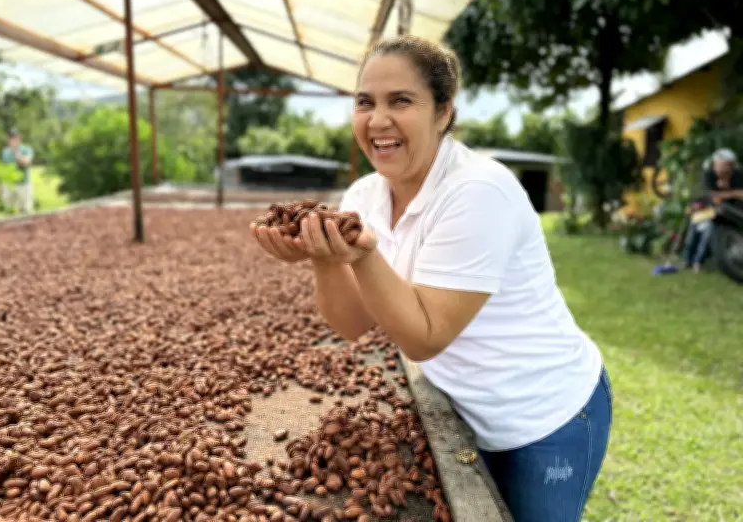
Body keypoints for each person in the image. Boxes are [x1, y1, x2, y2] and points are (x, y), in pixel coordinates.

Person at [251, 36, 612, 522]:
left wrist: (362, 256)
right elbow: (352, 325)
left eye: (401, 101)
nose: (378, 120)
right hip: (467, 406)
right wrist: (325, 259)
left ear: (443, 112)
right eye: (365, 102)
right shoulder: (364, 196)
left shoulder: (478, 191)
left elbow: (426, 336)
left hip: (547, 413)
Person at [681, 148, 743, 271]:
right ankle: (687, 260)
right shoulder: (708, 175)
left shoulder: (738, 176)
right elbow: (710, 195)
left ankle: (698, 262)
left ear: (731, 166)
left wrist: (725, 192)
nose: (718, 167)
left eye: (723, 165)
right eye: (717, 164)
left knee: (708, 234)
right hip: (708, 210)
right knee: (693, 231)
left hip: (730, 213)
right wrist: (732, 193)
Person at [0, 128, 34, 215]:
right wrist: (1, 185)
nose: (12, 140)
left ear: (19, 138)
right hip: (9, 184)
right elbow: (3, 169)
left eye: (14, 137)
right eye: (10, 137)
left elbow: (26, 162)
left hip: (23, 184)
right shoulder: (5, 152)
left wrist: (17, 153)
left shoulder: (27, 149)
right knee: (8, 210)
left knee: (25, 211)